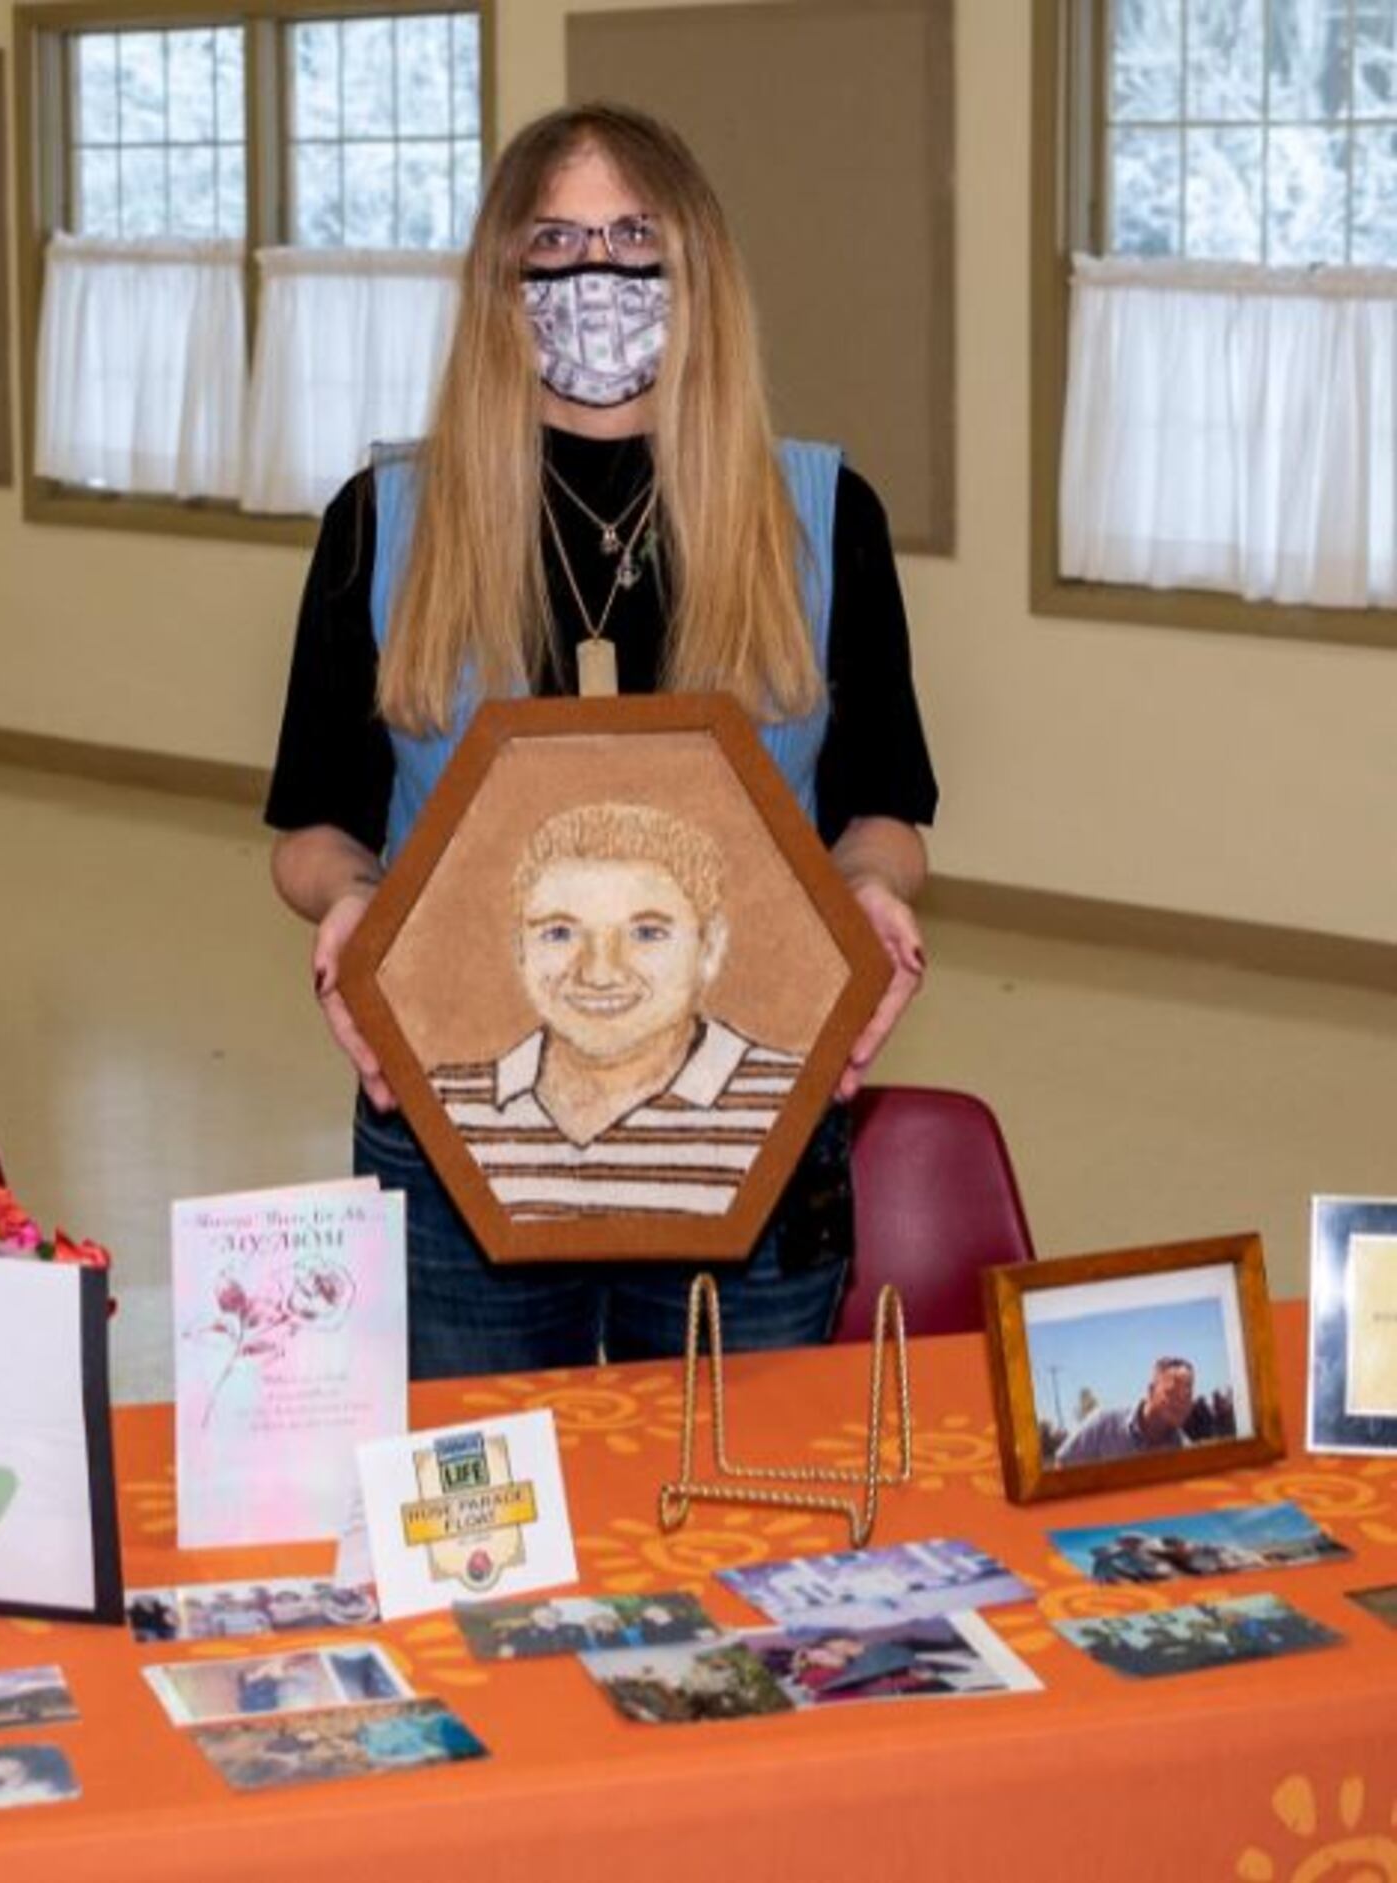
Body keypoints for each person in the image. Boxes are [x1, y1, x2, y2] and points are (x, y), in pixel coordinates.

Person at [267, 102, 938, 1379]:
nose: (596, 277)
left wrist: (869, 890)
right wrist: (356, 902)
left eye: (634, 237)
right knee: (483, 1505)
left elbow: (883, 812)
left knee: (737, 1501)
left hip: (744, 1111)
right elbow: (313, 828)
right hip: (456, 1103)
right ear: (498, 283)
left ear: (697, 267)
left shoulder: (819, 515)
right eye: (555, 243)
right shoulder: (383, 521)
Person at [429, 801, 802, 1216]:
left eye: (646, 932)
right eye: (559, 932)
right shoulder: (446, 1103)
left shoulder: (789, 1098)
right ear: (520, 949)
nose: (599, 973)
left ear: (709, 947)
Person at [1055, 1357, 1197, 1466]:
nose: (1181, 1403)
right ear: (1151, 1391)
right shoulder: (1103, 1425)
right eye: (1171, 1393)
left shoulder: (1187, 1453)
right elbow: (1063, 1464)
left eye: (1187, 1395)